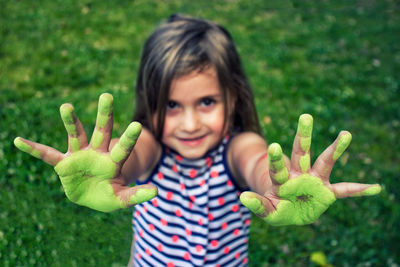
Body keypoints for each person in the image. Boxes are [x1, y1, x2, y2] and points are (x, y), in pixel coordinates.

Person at [14, 14, 381, 267]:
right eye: (171, 104)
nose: (189, 124)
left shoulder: (238, 146)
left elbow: (255, 163)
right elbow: (132, 158)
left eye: (206, 102)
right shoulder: (151, 144)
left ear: (233, 97)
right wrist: (113, 168)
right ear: (149, 101)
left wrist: (276, 186)